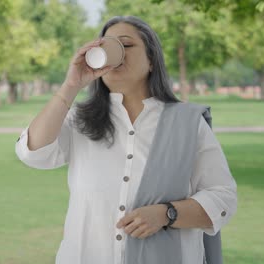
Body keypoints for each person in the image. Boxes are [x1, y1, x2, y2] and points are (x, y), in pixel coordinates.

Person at [15, 16, 237, 264]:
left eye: (126, 45)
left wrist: (167, 214)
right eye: (107, 46)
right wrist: (71, 85)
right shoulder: (79, 120)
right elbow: (33, 153)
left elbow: (223, 197)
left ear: (152, 60)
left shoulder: (187, 122)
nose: (116, 54)